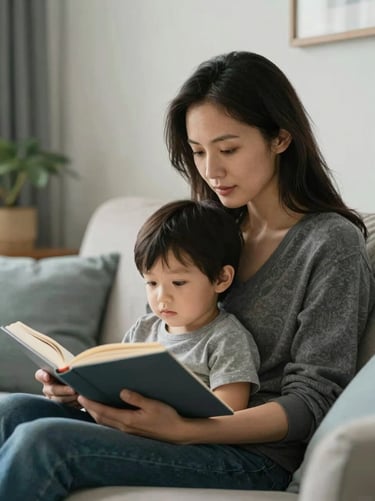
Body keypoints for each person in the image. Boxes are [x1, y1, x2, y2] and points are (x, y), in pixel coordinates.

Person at [0, 51, 374, 498]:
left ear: (280, 138)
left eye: (229, 149)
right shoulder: (208, 229)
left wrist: (185, 431)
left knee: (46, 443)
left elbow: (314, 398)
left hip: (253, 455)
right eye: (198, 152)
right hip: (167, 424)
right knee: (11, 410)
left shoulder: (330, 242)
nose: (212, 171)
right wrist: (85, 388)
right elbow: (159, 336)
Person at [127, 198, 260, 411]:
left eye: (178, 283)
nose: (162, 297)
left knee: (53, 429)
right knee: (53, 411)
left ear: (220, 279)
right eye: (151, 283)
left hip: (180, 440)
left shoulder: (226, 339)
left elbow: (228, 413)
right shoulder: (142, 330)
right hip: (124, 425)